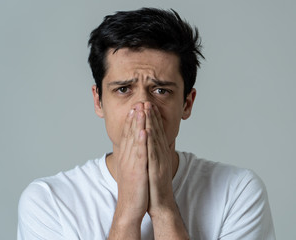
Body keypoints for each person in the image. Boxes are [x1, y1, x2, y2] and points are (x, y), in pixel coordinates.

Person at [17, 8, 276, 240]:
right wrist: (128, 212)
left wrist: (163, 207)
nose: (142, 107)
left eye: (161, 90)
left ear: (187, 103)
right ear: (99, 101)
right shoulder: (48, 202)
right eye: (123, 89)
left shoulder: (238, 192)